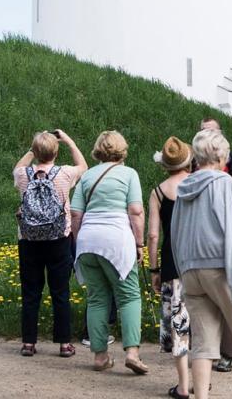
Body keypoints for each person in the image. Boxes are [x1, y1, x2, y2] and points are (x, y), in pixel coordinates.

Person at [172, 129, 232, 399]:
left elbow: (175, 232)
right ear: (223, 155)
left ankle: (201, 396)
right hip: (222, 268)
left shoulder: (184, 187)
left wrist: (182, 268)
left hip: (190, 270)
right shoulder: (226, 184)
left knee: (204, 341)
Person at [70, 130, 148, 374]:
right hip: (117, 239)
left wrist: (78, 241)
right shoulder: (129, 174)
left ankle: (100, 356)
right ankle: (132, 353)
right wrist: (139, 243)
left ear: (98, 150)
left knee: (96, 298)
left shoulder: (87, 176)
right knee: (129, 296)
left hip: (88, 241)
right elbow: (135, 211)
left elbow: (75, 214)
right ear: (122, 150)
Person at [13, 130, 87, 358]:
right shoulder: (64, 173)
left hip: (29, 240)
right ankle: (64, 344)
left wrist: (32, 150)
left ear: (35, 153)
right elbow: (83, 166)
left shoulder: (24, 174)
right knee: (60, 292)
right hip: (59, 239)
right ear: (56, 152)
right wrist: (68, 140)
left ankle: (28, 343)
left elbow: (17, 167)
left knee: (30, 292)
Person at [148, 137, 194, 399]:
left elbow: (153, 235)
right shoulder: (198, 185)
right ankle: (203, 380)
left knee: (179, 323)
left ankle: (184, 385)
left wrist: (154, 269)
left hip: (171, 262)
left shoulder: (157, 192)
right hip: (199, 260)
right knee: (201, 321)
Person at [199, 117, 232, 372]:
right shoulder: (195, 162)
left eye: (212, 132)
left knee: (228, 299)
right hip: (201, 240)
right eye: (204, 132)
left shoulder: (231, 160)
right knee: (206, 305)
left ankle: (228, 353)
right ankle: (209, 354)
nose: (208, 136)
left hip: (221, 233)